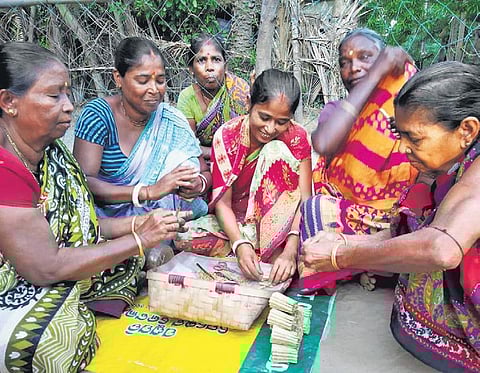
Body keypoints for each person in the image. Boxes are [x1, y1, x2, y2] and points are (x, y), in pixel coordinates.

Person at [0, 42, 185, 372]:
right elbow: (45, 267)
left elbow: (84, 224)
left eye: (67, 94)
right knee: (44, 340)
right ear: (8, 102)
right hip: (20, 281)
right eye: (54, 96)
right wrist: (139, 241)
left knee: (125, 263)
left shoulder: (52, 154)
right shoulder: (4, 168)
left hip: (43, 262)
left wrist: (141, 226)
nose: (69, 107)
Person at [302, 61, 480, 372]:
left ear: (466, 130)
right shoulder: (447, 167)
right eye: (401, 135)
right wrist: (343, 241)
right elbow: (413, 227)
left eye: (415, 138)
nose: (402, 148)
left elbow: (441, 248)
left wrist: (340, 255)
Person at [300, 28, 419, 291]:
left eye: (366, 57)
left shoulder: (406, 103)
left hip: (395, 219)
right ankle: (364, 267)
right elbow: (323, 143)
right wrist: (375, 73)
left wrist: (398, 66)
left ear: (387, 59)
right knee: (315, 209)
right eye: (345, 62)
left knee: (418, 229)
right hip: (351, 217)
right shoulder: (336, 110)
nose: (354, 67)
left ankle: (358, 267)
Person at [177, 69, 312, 284]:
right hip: (239, 225)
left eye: (281, 121)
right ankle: (257, 255)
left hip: (284, 231)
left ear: (291, 118)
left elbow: (305, 201)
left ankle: (276, 254)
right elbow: (223, 205)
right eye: (264, 117)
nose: (270, 128)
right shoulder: (227, 135)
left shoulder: (297, 137)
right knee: (182, 238)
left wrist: (290, 248)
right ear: (249, 103)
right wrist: (239, 243)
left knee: (274, 150)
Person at [74, 37, 211, 225]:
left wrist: (198, 185)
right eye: (143, 80)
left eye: (160, 80)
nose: (154, 89)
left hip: (163, 218)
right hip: (106, 220)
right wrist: (147, 191)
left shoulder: (170, 120)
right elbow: (84, 182)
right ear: (118, 78)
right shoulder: (98, 116)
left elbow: (204, 171)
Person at [177, 33, 250, 162]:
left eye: (216, 60)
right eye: (201, 60)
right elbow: (188, 146)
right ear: (191, 68)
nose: (209, 68)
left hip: (240, 160)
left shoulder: (239, 91)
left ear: (225, 66)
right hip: (201, 162)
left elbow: (249, 139)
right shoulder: (187, 98)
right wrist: (218, 153)